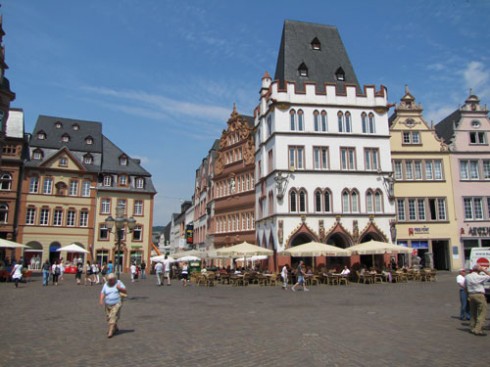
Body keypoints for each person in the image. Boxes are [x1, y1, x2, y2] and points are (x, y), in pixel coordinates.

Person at [99, 273, 127, 338]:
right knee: (108, 317)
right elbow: (103, 292)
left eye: (111, 280)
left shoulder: (119, 283)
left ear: (114, 279)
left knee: (113, 316)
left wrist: (120, 288)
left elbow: (125, 291)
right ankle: (115, 326)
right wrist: (101, 300)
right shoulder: (106, 284)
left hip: (117, 303)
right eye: (109, 280)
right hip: (108, 304)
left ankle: (110, 332)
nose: (110, 281)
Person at [465, 264, 490, 336]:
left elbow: (465, 286)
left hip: (471, 294)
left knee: (473, 312)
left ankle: (472, 327)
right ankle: (477, 329)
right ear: (478, 270)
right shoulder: (479, 277)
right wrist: (483, 269)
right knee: (482, 312)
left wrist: (468, 294)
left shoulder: (467, 276)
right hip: (479, 294)